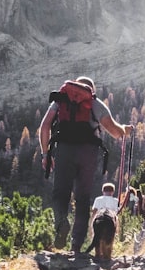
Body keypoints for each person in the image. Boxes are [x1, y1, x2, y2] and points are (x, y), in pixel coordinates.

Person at [39, 76, 131, 253]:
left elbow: (44, 126)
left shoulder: (61, 100)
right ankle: (76, 246)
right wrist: (124, 130)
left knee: (60, 193)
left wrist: (45, 154)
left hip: (64, 149)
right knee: (82, 199)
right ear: (91, 90)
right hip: (88, 153)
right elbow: (114, 131)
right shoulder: (95, 103)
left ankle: (61, 223)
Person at [88, 182, 120, 260]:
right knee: (110, 237)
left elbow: (94, 212)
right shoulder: (116, 200)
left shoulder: (98, 199)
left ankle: (97, 254)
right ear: (113, 191)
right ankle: (107, 255)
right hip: (111, 218)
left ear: (103, 191)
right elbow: (116, 213)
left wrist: (91, 224)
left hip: (99, 217)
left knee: (97, 236)